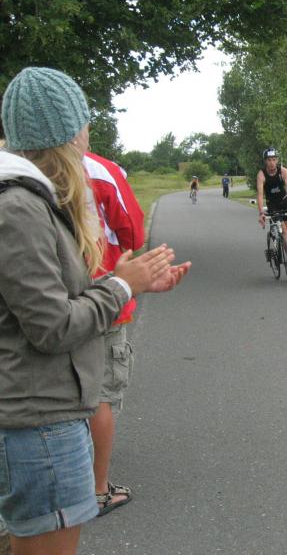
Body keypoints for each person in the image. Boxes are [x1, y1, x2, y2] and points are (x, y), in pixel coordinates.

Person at [0, 66, 190, 555]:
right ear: (68, 132)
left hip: (46, 413)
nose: (89, 131)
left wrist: (123, 284)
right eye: (84, 120)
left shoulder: (33, 200)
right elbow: (52, 327)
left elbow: (47, 300)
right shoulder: (19, 207)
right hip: (39, 421)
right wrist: (122, 286)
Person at [83, 151, 145, 517]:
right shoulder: (99, 169)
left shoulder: (13, 162)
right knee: (101, 392)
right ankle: (97, 489)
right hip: (103, 291)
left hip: (45, 298)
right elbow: (133, 231)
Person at [256, 147, 287, 276]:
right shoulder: (261, 175)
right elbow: (260, 195)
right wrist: (261, 212)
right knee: (283, 230)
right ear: (265, 161)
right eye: (269, 160)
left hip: (284, 202)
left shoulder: (283, 171)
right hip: (273, 205)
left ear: (277, 160)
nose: (272, 162)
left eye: (274, 159)